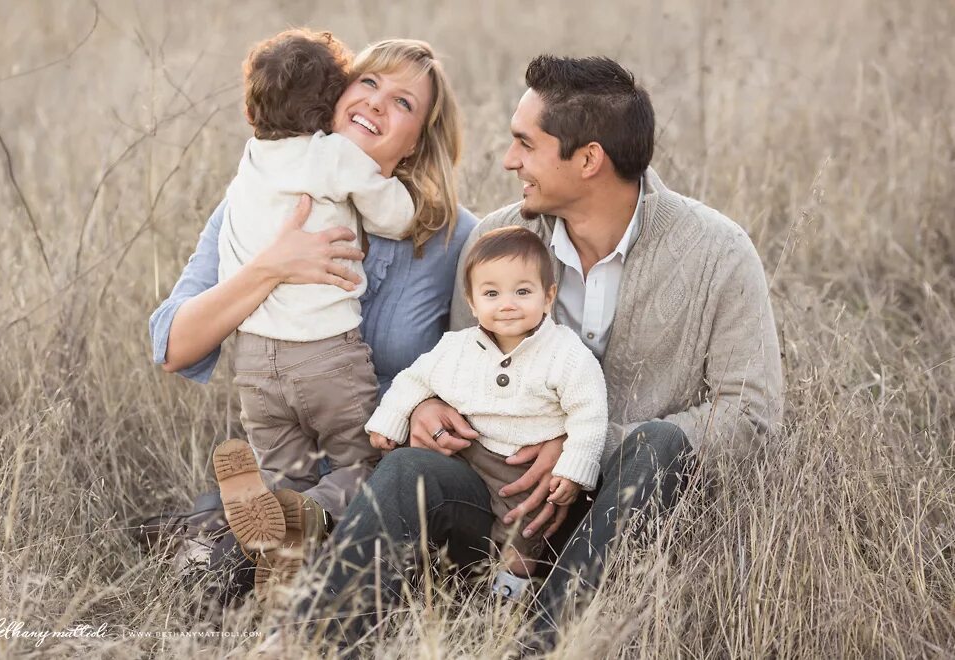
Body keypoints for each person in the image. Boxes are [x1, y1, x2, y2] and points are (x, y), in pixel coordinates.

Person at [293, 54, 784, 649]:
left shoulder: (718, 252)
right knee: (407, 473)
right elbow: (457, 366)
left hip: (628, 517)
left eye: (525, 144)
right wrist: (426, 411)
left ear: (588, 160)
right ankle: (313, 641)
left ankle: (541, 644)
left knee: (661, 445)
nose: (509, 161)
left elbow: (751, 416)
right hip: (504, 507)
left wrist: (586, 445)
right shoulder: (496, 242)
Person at [144, 38, 475, 598]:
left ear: (419, 140)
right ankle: (234, 534)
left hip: (378, 480)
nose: (375, 103)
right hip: (290, 458)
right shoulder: (258, 199)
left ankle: (241, 531)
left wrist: (424, 404)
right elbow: (174, 346)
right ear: (333, 97)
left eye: (402, 102)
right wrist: (268, 267)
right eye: (367, 83)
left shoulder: (455, 237)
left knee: (312, 552)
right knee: (219, 575)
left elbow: (478, 364)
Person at [214, 26, 423, 567]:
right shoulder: (333, 155)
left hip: (256, 364)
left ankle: (281, 563)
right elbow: (397, 217)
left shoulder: (251, 161)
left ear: (250, 111)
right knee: (372, 467)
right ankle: (296, 514)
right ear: (331, 107)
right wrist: (396, 188)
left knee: (284, 474)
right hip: (326, 355)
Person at [366, 226, 608, 592]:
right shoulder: (457, 347)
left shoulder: (566, 354)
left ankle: (506, 599)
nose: (507, 304)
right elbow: (414, 380)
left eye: (522, 292)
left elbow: (589, 412)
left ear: (548, 296)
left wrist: (575, 470)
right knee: (409, 473)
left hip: (523, 467)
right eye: (491, 293)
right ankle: (425, 575)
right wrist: (389, 421)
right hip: (467, 452)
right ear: (472, 301)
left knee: (523, 532)